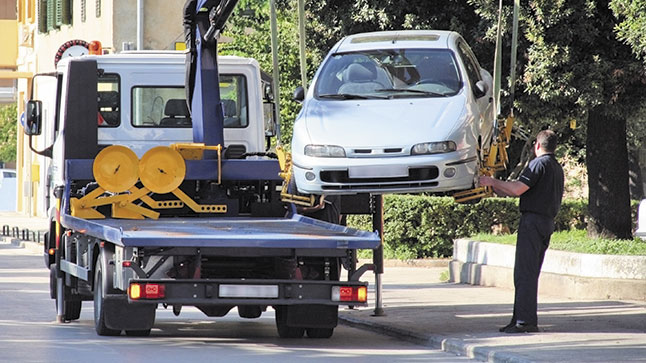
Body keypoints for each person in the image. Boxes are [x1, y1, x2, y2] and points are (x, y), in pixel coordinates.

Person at [479, 129, 564, 333]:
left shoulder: (538, 164)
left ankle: (524, 322)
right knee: (529, 272)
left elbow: (517, 189)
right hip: (546, 222)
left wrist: (491, 182)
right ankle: (518, 318)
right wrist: (495, 187)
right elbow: (515, 191)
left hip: (532, 222)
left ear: (536, 145)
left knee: (524, 273)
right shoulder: (556, 167)